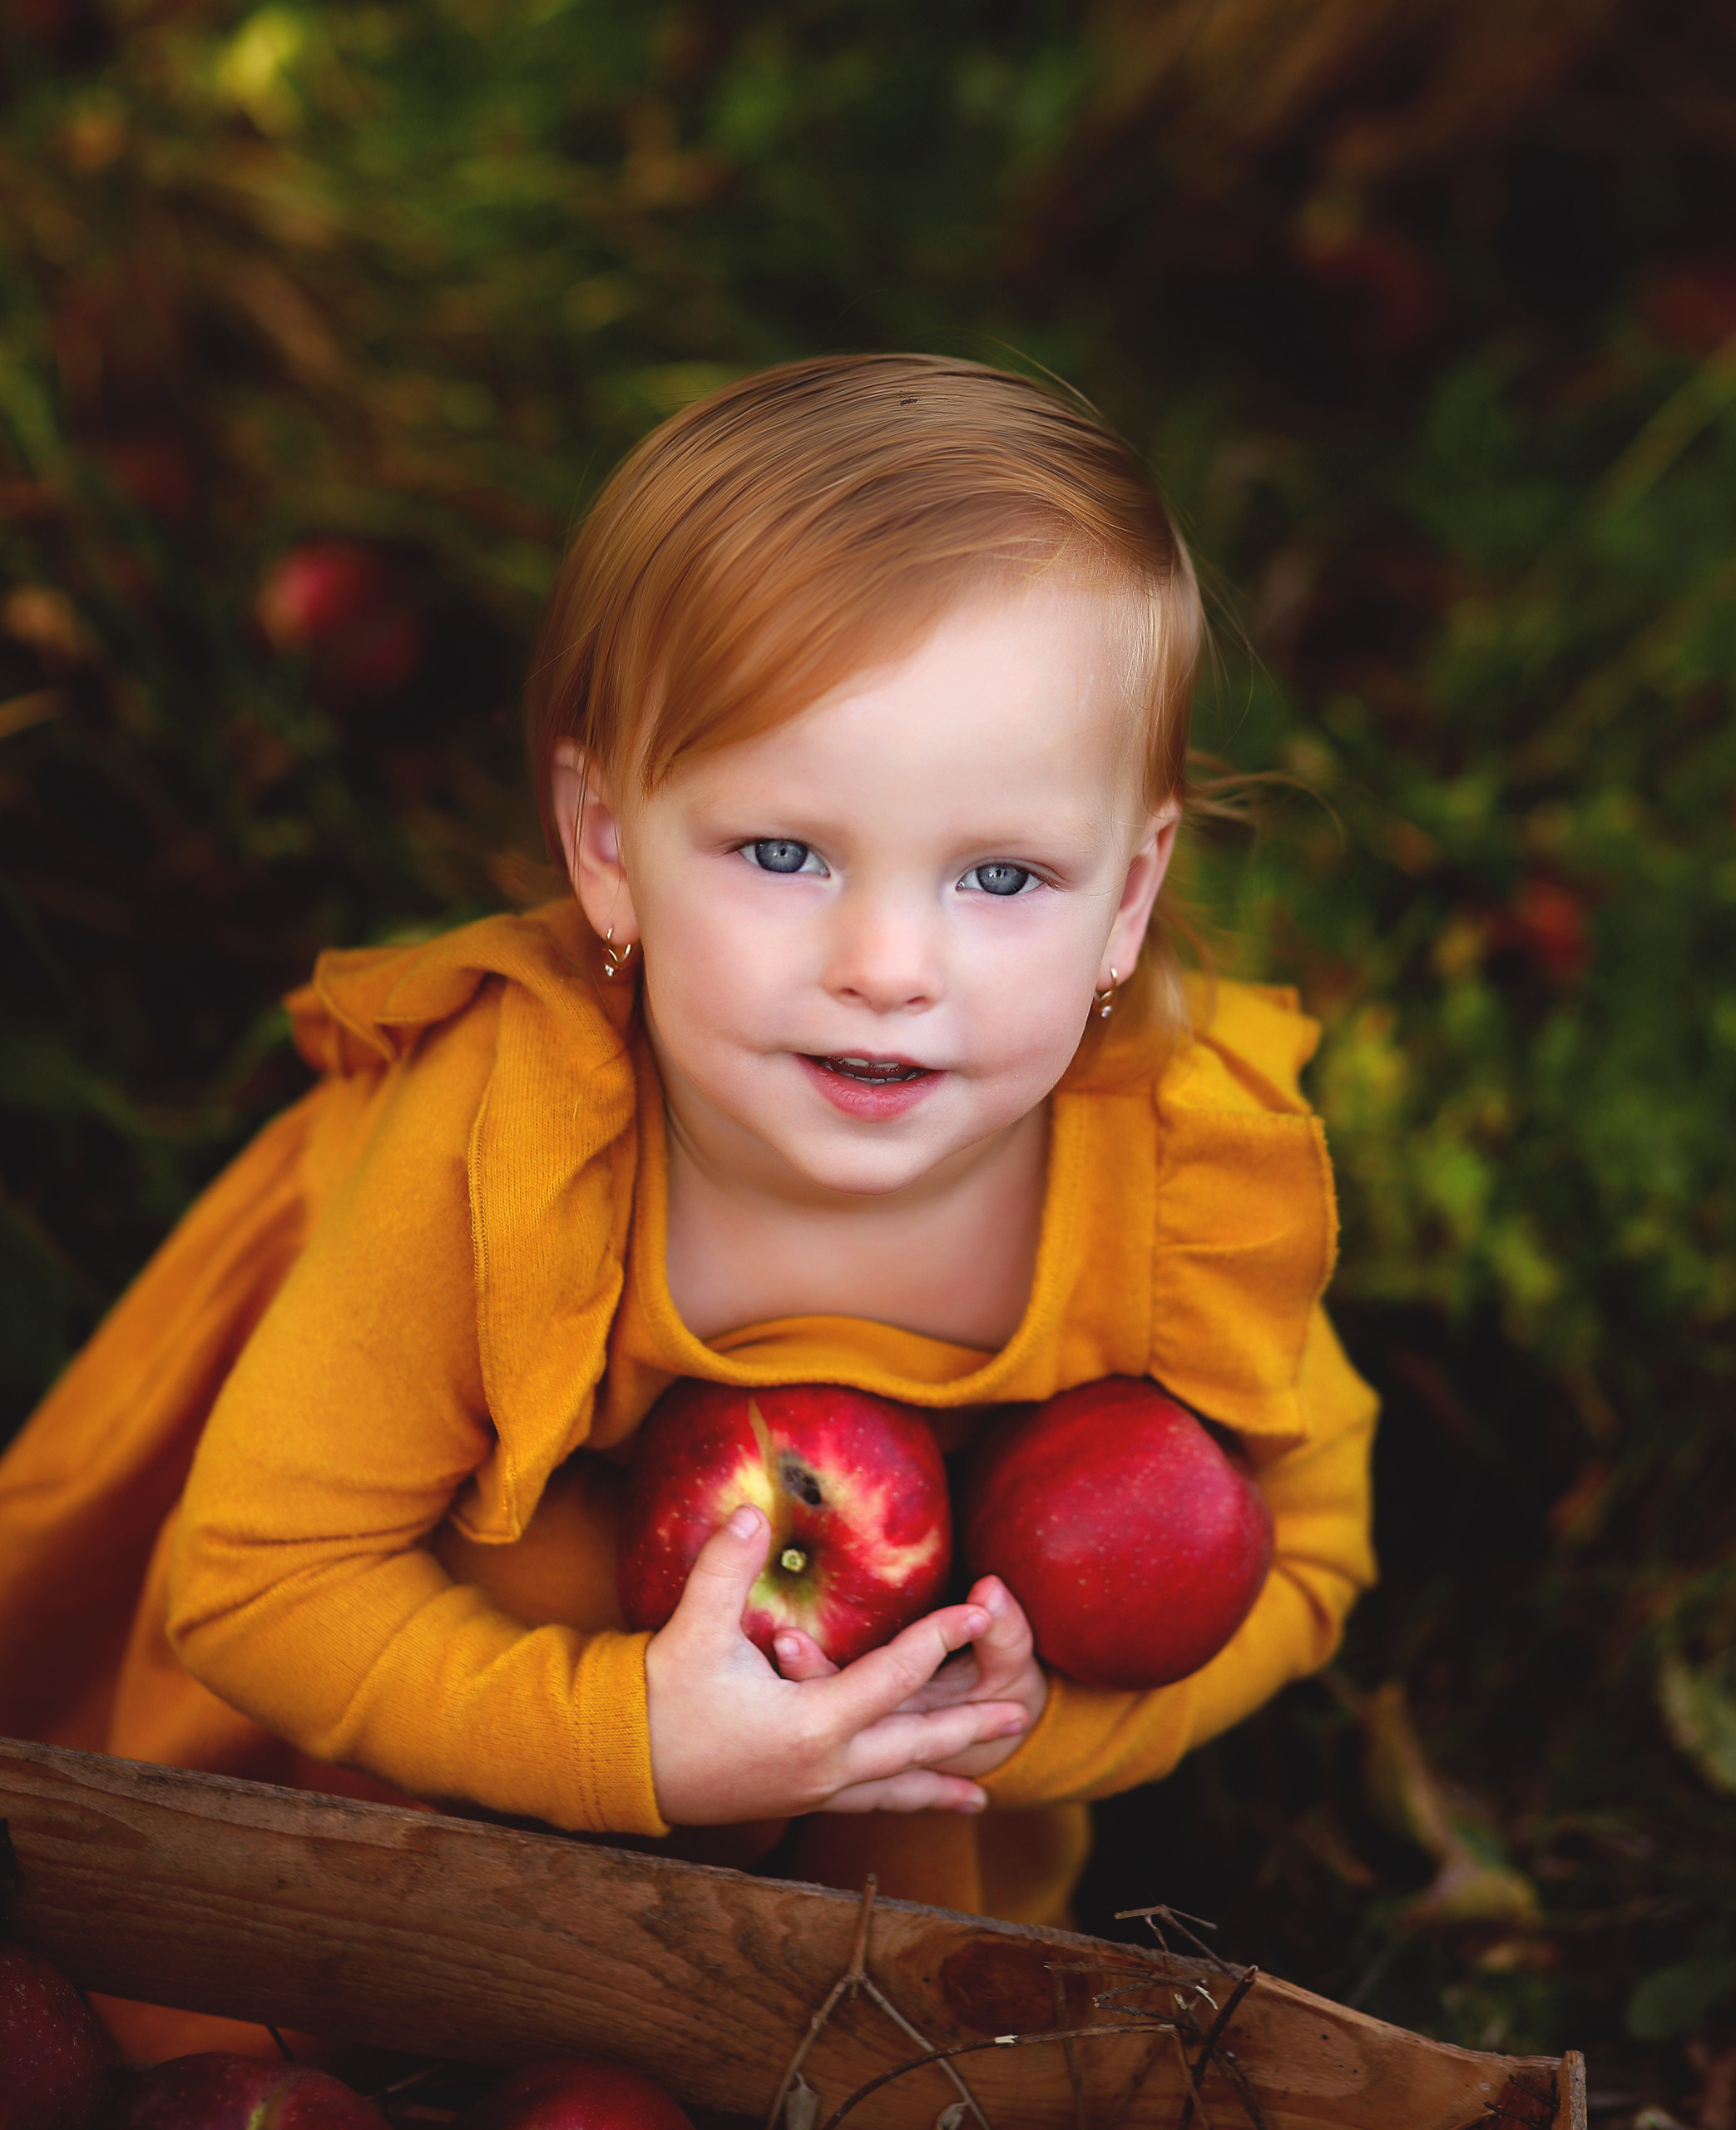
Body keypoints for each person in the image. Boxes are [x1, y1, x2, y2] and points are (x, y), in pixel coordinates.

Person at [0, 354, 1376, 2051]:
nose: (889, 965)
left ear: (1131, 893)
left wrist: (1019, 1734)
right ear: (606, 845)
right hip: (411, 1759)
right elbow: (257, 1578)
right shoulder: (509, 1153)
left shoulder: (1175, 1176)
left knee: (866, 2041)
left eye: (1003, 874)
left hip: (879, 1807)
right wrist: (628, 1735)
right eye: (784, 853)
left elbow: (1313, 1541)